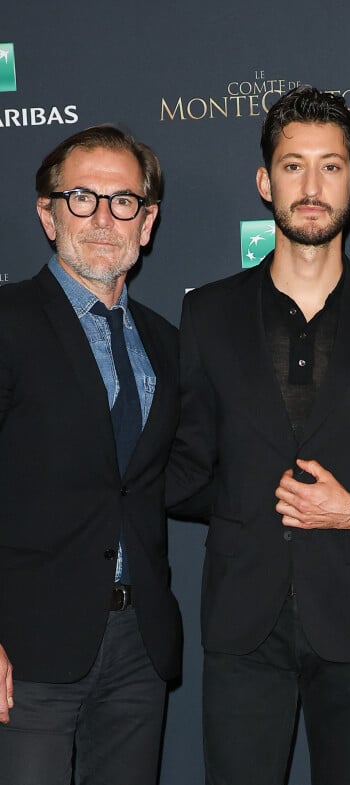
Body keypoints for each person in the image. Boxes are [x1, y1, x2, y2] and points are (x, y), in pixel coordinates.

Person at [167, 85, 350, 785]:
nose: (312, 185)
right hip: (241, 620)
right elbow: (186, 465)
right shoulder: (207, 314)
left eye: (330, 166)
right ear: (265, 182)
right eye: (293, 166)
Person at [0, 125, 183, 785]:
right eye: (82, 198)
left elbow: (170, 478)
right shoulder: (9, 320)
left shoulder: (165, 342)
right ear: (48, 214)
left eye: (123, 201)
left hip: (138, 647)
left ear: (149, 221)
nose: (104, 218)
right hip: (26, 651)